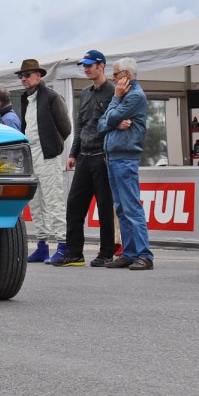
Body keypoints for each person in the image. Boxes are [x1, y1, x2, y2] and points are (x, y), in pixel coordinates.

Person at [53, 50, 117, 268]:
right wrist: (73, 153)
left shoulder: (113, 92)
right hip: (85, 157)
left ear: (102, 66)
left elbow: (117, 124)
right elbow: (81, 125)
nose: (86, 68)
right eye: (84, 65)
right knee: (74, 206)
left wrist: (111, 153)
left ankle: (106, 252)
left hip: (103, 157)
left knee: (105, 207)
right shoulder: (86, 92)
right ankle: (75, 253)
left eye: (90, 65)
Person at [99, 58, 153, 270]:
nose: (113, 79)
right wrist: (112, 120)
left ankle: (145, 255)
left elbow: (110, 117)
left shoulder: (135, 96)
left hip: (125, 157)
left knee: (131, 207)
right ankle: (129, 252)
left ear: (126, 76)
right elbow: (102, 123)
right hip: (114, 156)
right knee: (121, 208)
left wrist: (115, 99)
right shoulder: (126, 97)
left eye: (116, 75)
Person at [17, 59, 72, 263]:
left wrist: (53, 145)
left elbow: (65, 127)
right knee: (36, 202)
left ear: (39, 76)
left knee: (53, 200)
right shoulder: (26, 98)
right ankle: (42, 245)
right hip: (31, 154)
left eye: (27, 75)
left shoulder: (51, 96)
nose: (23, 78)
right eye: (21, 76)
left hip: (48, 154)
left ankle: (63, 245)